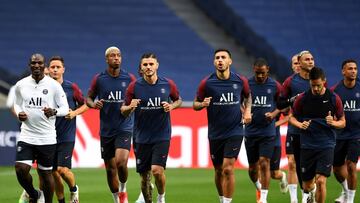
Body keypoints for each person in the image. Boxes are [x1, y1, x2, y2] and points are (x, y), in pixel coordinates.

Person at [121, 53, 182, 203]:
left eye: (151, 64)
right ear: (141, 68)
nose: (148, 67)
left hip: (161, 135)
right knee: (144, 177)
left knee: (157, 170)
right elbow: (123, 110)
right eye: (145, 65)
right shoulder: (134, 86)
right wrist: (130, 107)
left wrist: (172, 106)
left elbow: (178, 100)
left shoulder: (167, 84)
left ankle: (161, 197)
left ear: (157, 65)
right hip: (141, 137)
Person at [193, 49, 252, 203]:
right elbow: (195, 104)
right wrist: (202, 104)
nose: (220, 60)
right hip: (215, 133)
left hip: (235, 131)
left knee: (228, 168)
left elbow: (248, 96)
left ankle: (227, 201)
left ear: (230, 61)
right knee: (218, 170)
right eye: (217, 58)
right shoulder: (207, 83)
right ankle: (222, 199)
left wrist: (247, 111)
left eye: (223, 57)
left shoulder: (240, 80)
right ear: (214, 62)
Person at [14, 53, 69, 203]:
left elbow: (65, 108)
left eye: (39, 63)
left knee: (45, 174)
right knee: (20, 169)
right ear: (30, 65)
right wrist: (19, 112)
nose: (36, 66)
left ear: (44, 66)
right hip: (27, 135)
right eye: (33, 63)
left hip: (46, 137)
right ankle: (34, 194)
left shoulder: (54, 85)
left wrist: (54, 111)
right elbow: (17, 103)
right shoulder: (22, 84)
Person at [86, 46, 136, 203]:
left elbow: (139, 96)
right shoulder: (99, 79)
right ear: (106, 59)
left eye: (118, 55)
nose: (116, 58)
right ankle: (117, 200)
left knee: (121, 163)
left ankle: (123, 189)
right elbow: (88, 98)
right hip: (107, 129)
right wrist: (94, 104)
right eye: (112, 55)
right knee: (110, 169)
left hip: (124, 127)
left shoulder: (129, 79)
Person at [291, 67, 345, 203]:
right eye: (313, 85)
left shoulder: (333, 98)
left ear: (324, 82)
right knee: (307, 185)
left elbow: (343, 122)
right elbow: (291, 117)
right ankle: (311, 191)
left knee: (321, 180)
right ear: (309, 82)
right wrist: (300, 125)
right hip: (307, 145)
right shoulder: (302, 99)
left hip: (326, 145)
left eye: (318, 85)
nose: (315, 88)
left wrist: (333, 122)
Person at [47, 56, 89, 203]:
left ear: (63, 69)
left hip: (66, 135)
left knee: (62, 170)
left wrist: (74, 113)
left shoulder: (71, 88)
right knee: (53, 173)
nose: (55, 69)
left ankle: (74, 189)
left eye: (58, 67)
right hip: (48, 136)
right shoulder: (43, 89)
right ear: (49, 69)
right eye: (52, 67)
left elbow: (86, 104)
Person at [245, 58, 284, 203]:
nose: (260, 76)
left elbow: (284, 105)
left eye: (262, 73)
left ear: (267, 69)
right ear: (253, 69)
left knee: (264, 162)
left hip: (268, 132)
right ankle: (258, 187)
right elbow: (239, 102)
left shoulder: (275, 86)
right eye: (257, 73)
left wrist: (274, 114)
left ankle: (264, 198)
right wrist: (245, 112)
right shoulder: (247, 84)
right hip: (250, 131)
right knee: (253, 169)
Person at [282, 50, 315, 203]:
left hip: (313, 129)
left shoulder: (316, 79)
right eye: (294, 64)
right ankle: (295, 199)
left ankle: (310, 192)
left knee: (308, 165)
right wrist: (289, 104)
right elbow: (282, 105)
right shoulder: (289, 82)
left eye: (298, 63)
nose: (296, 66)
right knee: (291, 162)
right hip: (294, 128)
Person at [331, 59, 359, 203]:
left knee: (351, 165)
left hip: (356, 134)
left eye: (355, 68)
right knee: (336, 168)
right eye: (350, 69)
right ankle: (345, 191)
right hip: (340, 134)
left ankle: (350, 200)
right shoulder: (336, 91)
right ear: (343, 71)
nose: (353, 71)